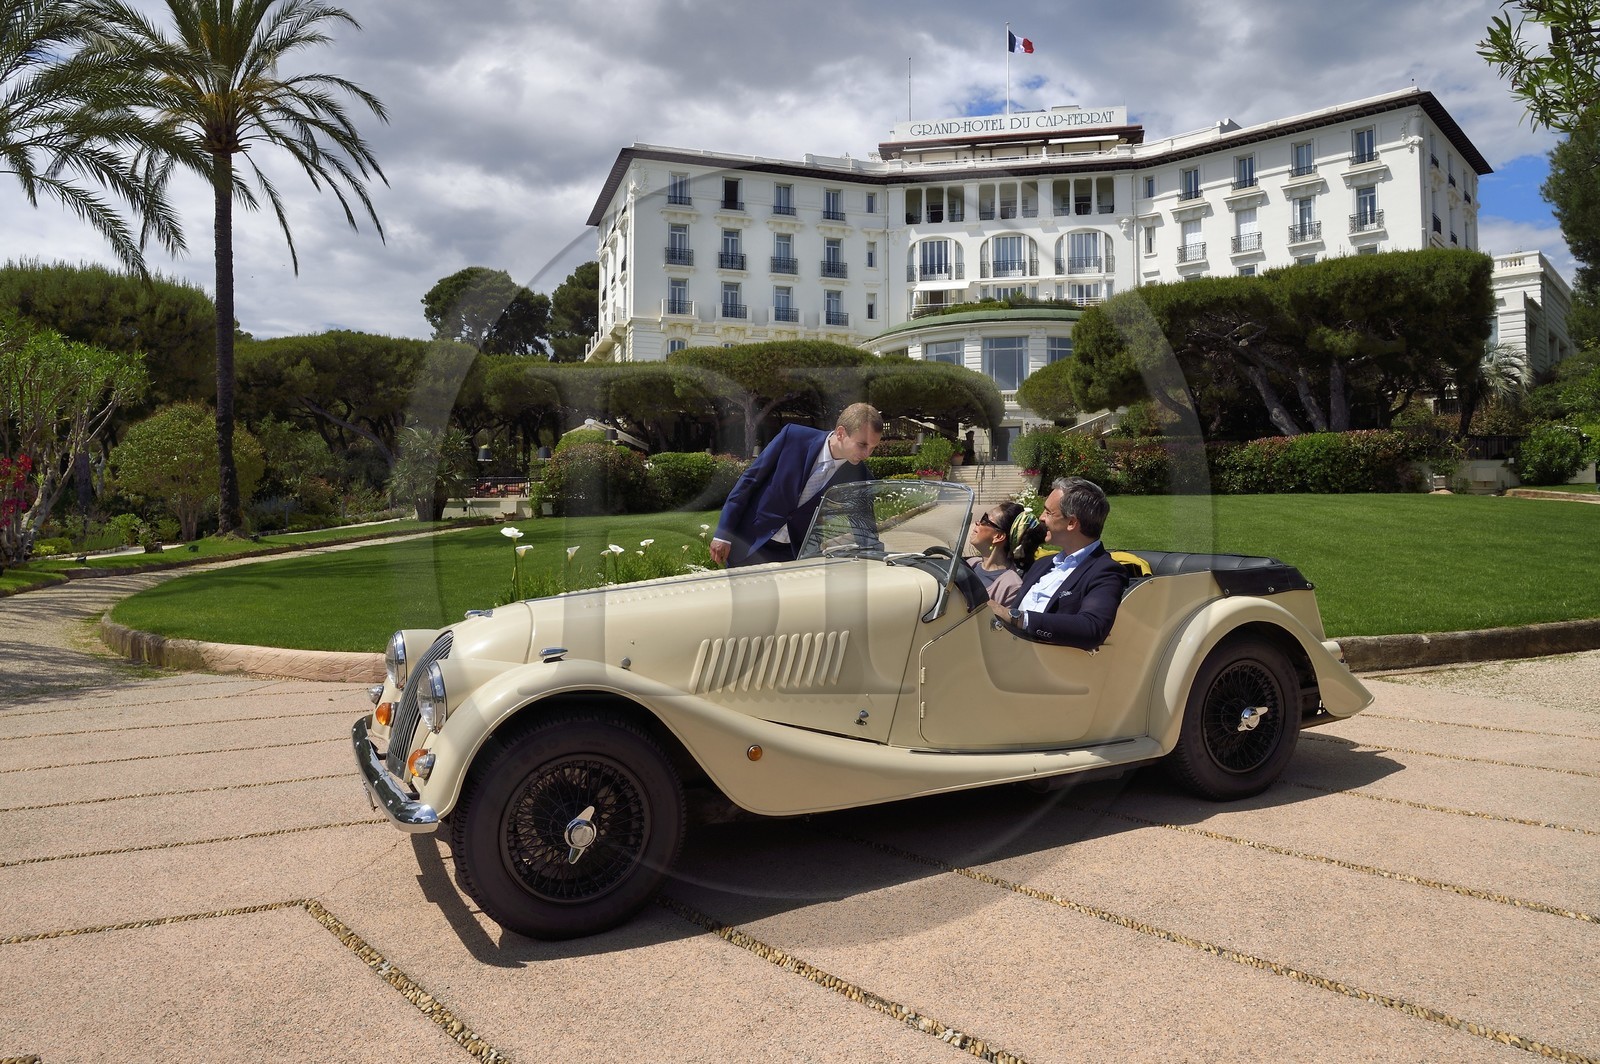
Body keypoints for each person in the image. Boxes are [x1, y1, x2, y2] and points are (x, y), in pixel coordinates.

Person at [710, 403, 883, 567]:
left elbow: (865, 529)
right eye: (862, 445)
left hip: (794, 556)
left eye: (873, 448)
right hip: (750, 543)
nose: (867, 454)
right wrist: (723, 535)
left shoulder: (859, 475)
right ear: (840, 433)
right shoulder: (793, 437)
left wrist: (881, 561)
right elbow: (748, 482)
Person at [989, 476, 1127, 650]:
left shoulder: (1105, 571)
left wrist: (1017, 617)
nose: (1041, 517)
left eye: (1048, 512)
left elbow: (1092, 628)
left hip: (1045, 662)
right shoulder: (1042, 564)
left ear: (1072, 523)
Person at [964, 500, 1045, 608]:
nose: (977, 522)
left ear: (998, 537)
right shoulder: (971, 563)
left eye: (985, 519)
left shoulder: (1011, 586)